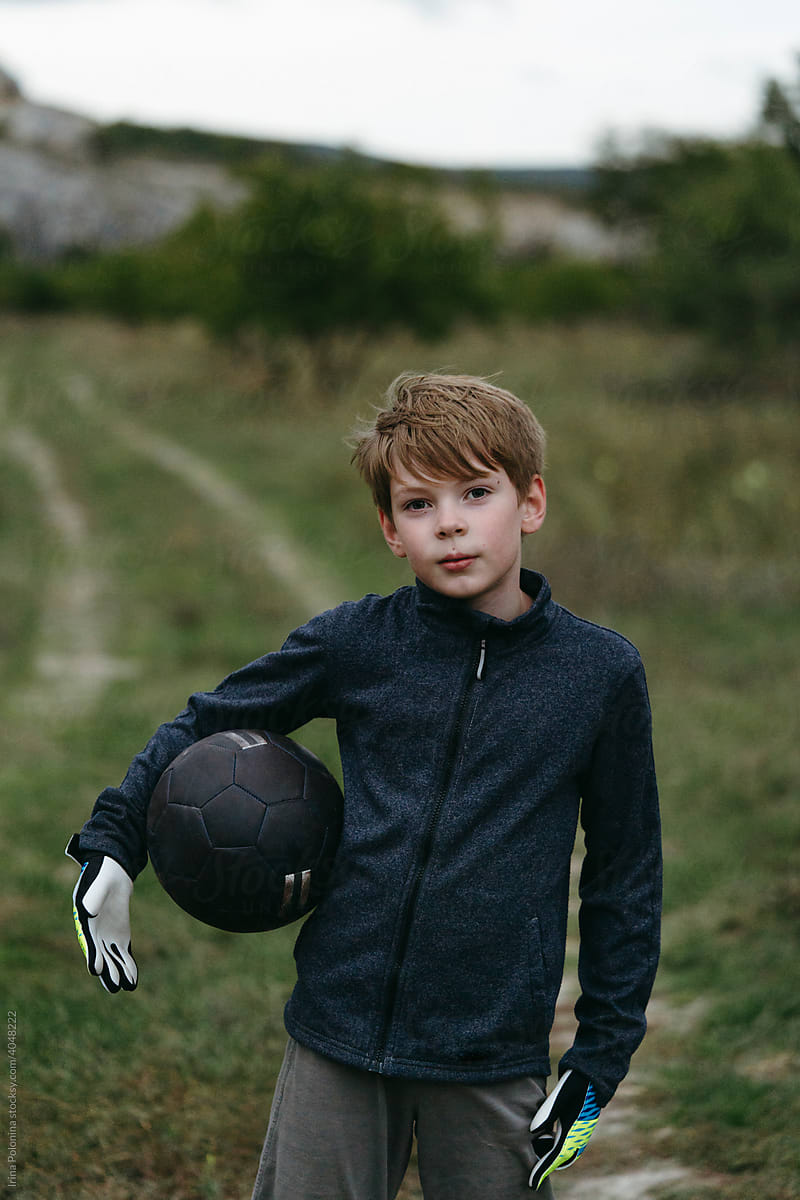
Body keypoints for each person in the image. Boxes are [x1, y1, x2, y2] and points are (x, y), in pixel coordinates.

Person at [68, 372, 662, 1199]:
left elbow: (626, 879)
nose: (449, 522)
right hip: (336, 1036)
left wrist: (596, 1071)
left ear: (531, 503)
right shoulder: (358, 643)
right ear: (390, 529)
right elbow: (206, 721)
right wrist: (113, 845)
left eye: (476, 492)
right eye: (419, 505)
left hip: (490, 1057)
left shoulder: (599, 674)